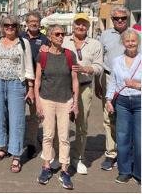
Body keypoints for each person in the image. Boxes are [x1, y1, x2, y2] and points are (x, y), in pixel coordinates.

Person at [50, 13, 103, 175]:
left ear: (88, 27)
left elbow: (99, 67)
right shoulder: (63, 40)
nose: (80, 27)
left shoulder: (95, 44)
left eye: (83, 24)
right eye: (77, 24)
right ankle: (59, 155)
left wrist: (85, 69)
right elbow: (51, 52)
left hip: (85, 87)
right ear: (73, 25)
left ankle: (78, 158)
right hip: (64, 87)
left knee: (81, 124)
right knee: (60, 123)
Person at [0, 16, 35, 173]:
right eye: (6, 25)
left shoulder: (23, 43)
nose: (10, 27)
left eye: (13, 25)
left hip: (16, 83)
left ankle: (16, 154)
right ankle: (3, 147)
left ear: (17, 27)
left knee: (17, 119)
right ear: (1, 26)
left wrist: (31, 87)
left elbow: (28, 66)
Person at [35, 25, 79, 190]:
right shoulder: (43, 55)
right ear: (50, 37)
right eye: (57, 34)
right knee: (48, 135)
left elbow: (74, 80)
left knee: (64, 137)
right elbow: (38, 80)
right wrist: (38, 102)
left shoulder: (69, 55)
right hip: (46, 100)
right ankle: (46, 167)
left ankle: (64, 171)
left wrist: (75, 102)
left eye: (63, 34)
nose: (61, 36)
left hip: (65, 100)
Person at [94, 5, 137, 171]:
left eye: (123, 18)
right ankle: (111, 153)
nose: (120, 21)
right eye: (116, 18)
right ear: (112, 20)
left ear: (127, 18)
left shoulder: (136, 35)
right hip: (109, 76)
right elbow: (100, 59)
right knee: (109, 116)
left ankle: (126, 153)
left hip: (130, 80)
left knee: (130, 117)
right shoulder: (105, 35)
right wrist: (97, 81)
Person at [106, 30, 141, 186]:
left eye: (133, 40)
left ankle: (139, 172)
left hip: (140, 101)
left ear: (138, 42)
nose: (131, 43)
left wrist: (137, 85)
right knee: (122, 138)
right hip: (121, 102)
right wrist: (108, 99)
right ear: (123, 43)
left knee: (139, 139)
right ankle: (125, 171)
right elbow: (113, 81)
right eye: (128, 41)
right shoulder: (117, 60)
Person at [19, 11, 49, 159]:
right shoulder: (19, 37)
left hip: (37, 82)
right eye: (30, 21)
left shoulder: (45, 39)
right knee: (16, 113)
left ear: (39, 23)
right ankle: (16, 142)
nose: (33, 23)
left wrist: (47, 51)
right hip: (19, 81)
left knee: (33, 114)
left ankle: (31, 143)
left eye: (36, 21)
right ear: (26, 22)